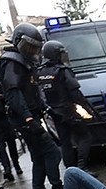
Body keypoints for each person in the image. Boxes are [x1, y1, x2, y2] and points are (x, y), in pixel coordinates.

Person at [0, 22, 64, 189]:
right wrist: (28, 118)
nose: (32, 50)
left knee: (39, 157)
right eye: (29, 46)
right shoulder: (11, 61)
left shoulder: (23, 60)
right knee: (52, 153)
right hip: (26, 119)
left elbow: (32, 89)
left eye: (35, 47)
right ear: (18, 42)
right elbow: (14, 92)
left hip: (32, 116)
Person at [36, 41, 94, 171]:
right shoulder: (63, 70)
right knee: (85, 137)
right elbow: (75, 93)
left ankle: (71, 171)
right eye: (61, 54)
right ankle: (82, 167)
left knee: (65, 142)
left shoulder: (40, 72)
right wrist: (87, 109)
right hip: (69, 111)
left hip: (54, 113)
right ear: (55, 55)